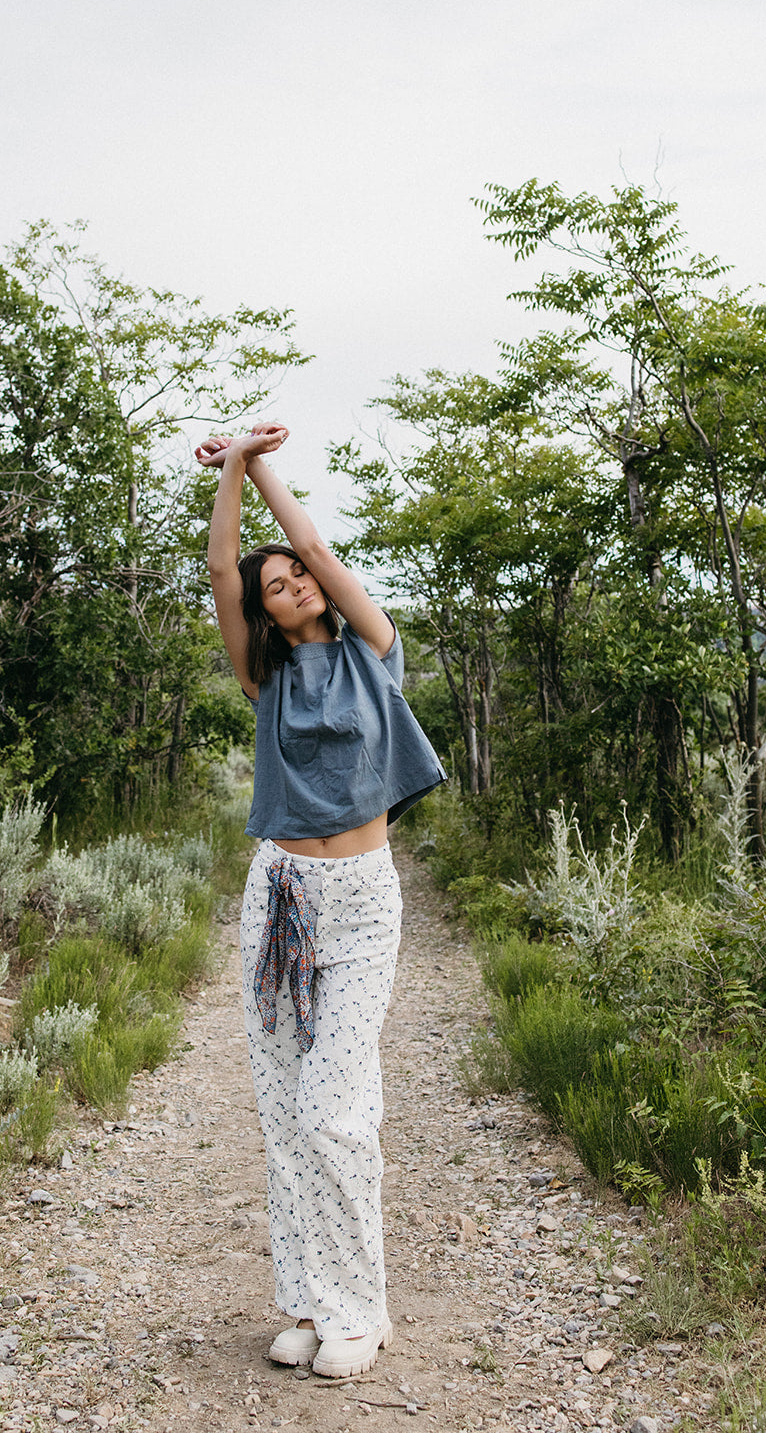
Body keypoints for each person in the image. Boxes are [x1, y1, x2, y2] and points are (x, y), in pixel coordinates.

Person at [195, 420, 446, 1380]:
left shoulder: (371, 650)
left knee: (337, 1108)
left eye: (294, 577)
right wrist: (226, 478)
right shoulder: (267, 678)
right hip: (282, 894)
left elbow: (316, 547)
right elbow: (222, 573)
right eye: (275, 588)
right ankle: (305, 1298)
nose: (289, 585)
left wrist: (259, 467)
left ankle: (360, 1307)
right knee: (285, 1108)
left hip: (361, 898)